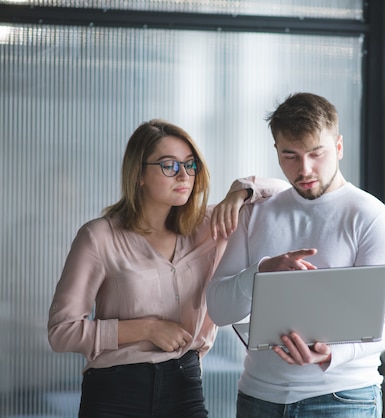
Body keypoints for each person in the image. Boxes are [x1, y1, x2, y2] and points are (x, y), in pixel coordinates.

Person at [47, 119, 288, 418]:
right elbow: (62, 332)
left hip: (184, 387)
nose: (184, 175)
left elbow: (282, 191)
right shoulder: (99, 237)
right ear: (139, 175)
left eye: (190, 165)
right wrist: (144, 329)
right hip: (114, 393)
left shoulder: (210, 226)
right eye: (169, 166)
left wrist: (239, 193)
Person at [206, 92, 385, 418]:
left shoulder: (371, 218)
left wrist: (329, 354)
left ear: (339, 147)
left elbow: (384, 326)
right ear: (276, 151)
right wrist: (261, 274)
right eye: (290, 155)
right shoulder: (254, 213)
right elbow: (218, 310)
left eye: (317, 153)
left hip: (342, 398)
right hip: (258, 396)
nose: (304, 168)